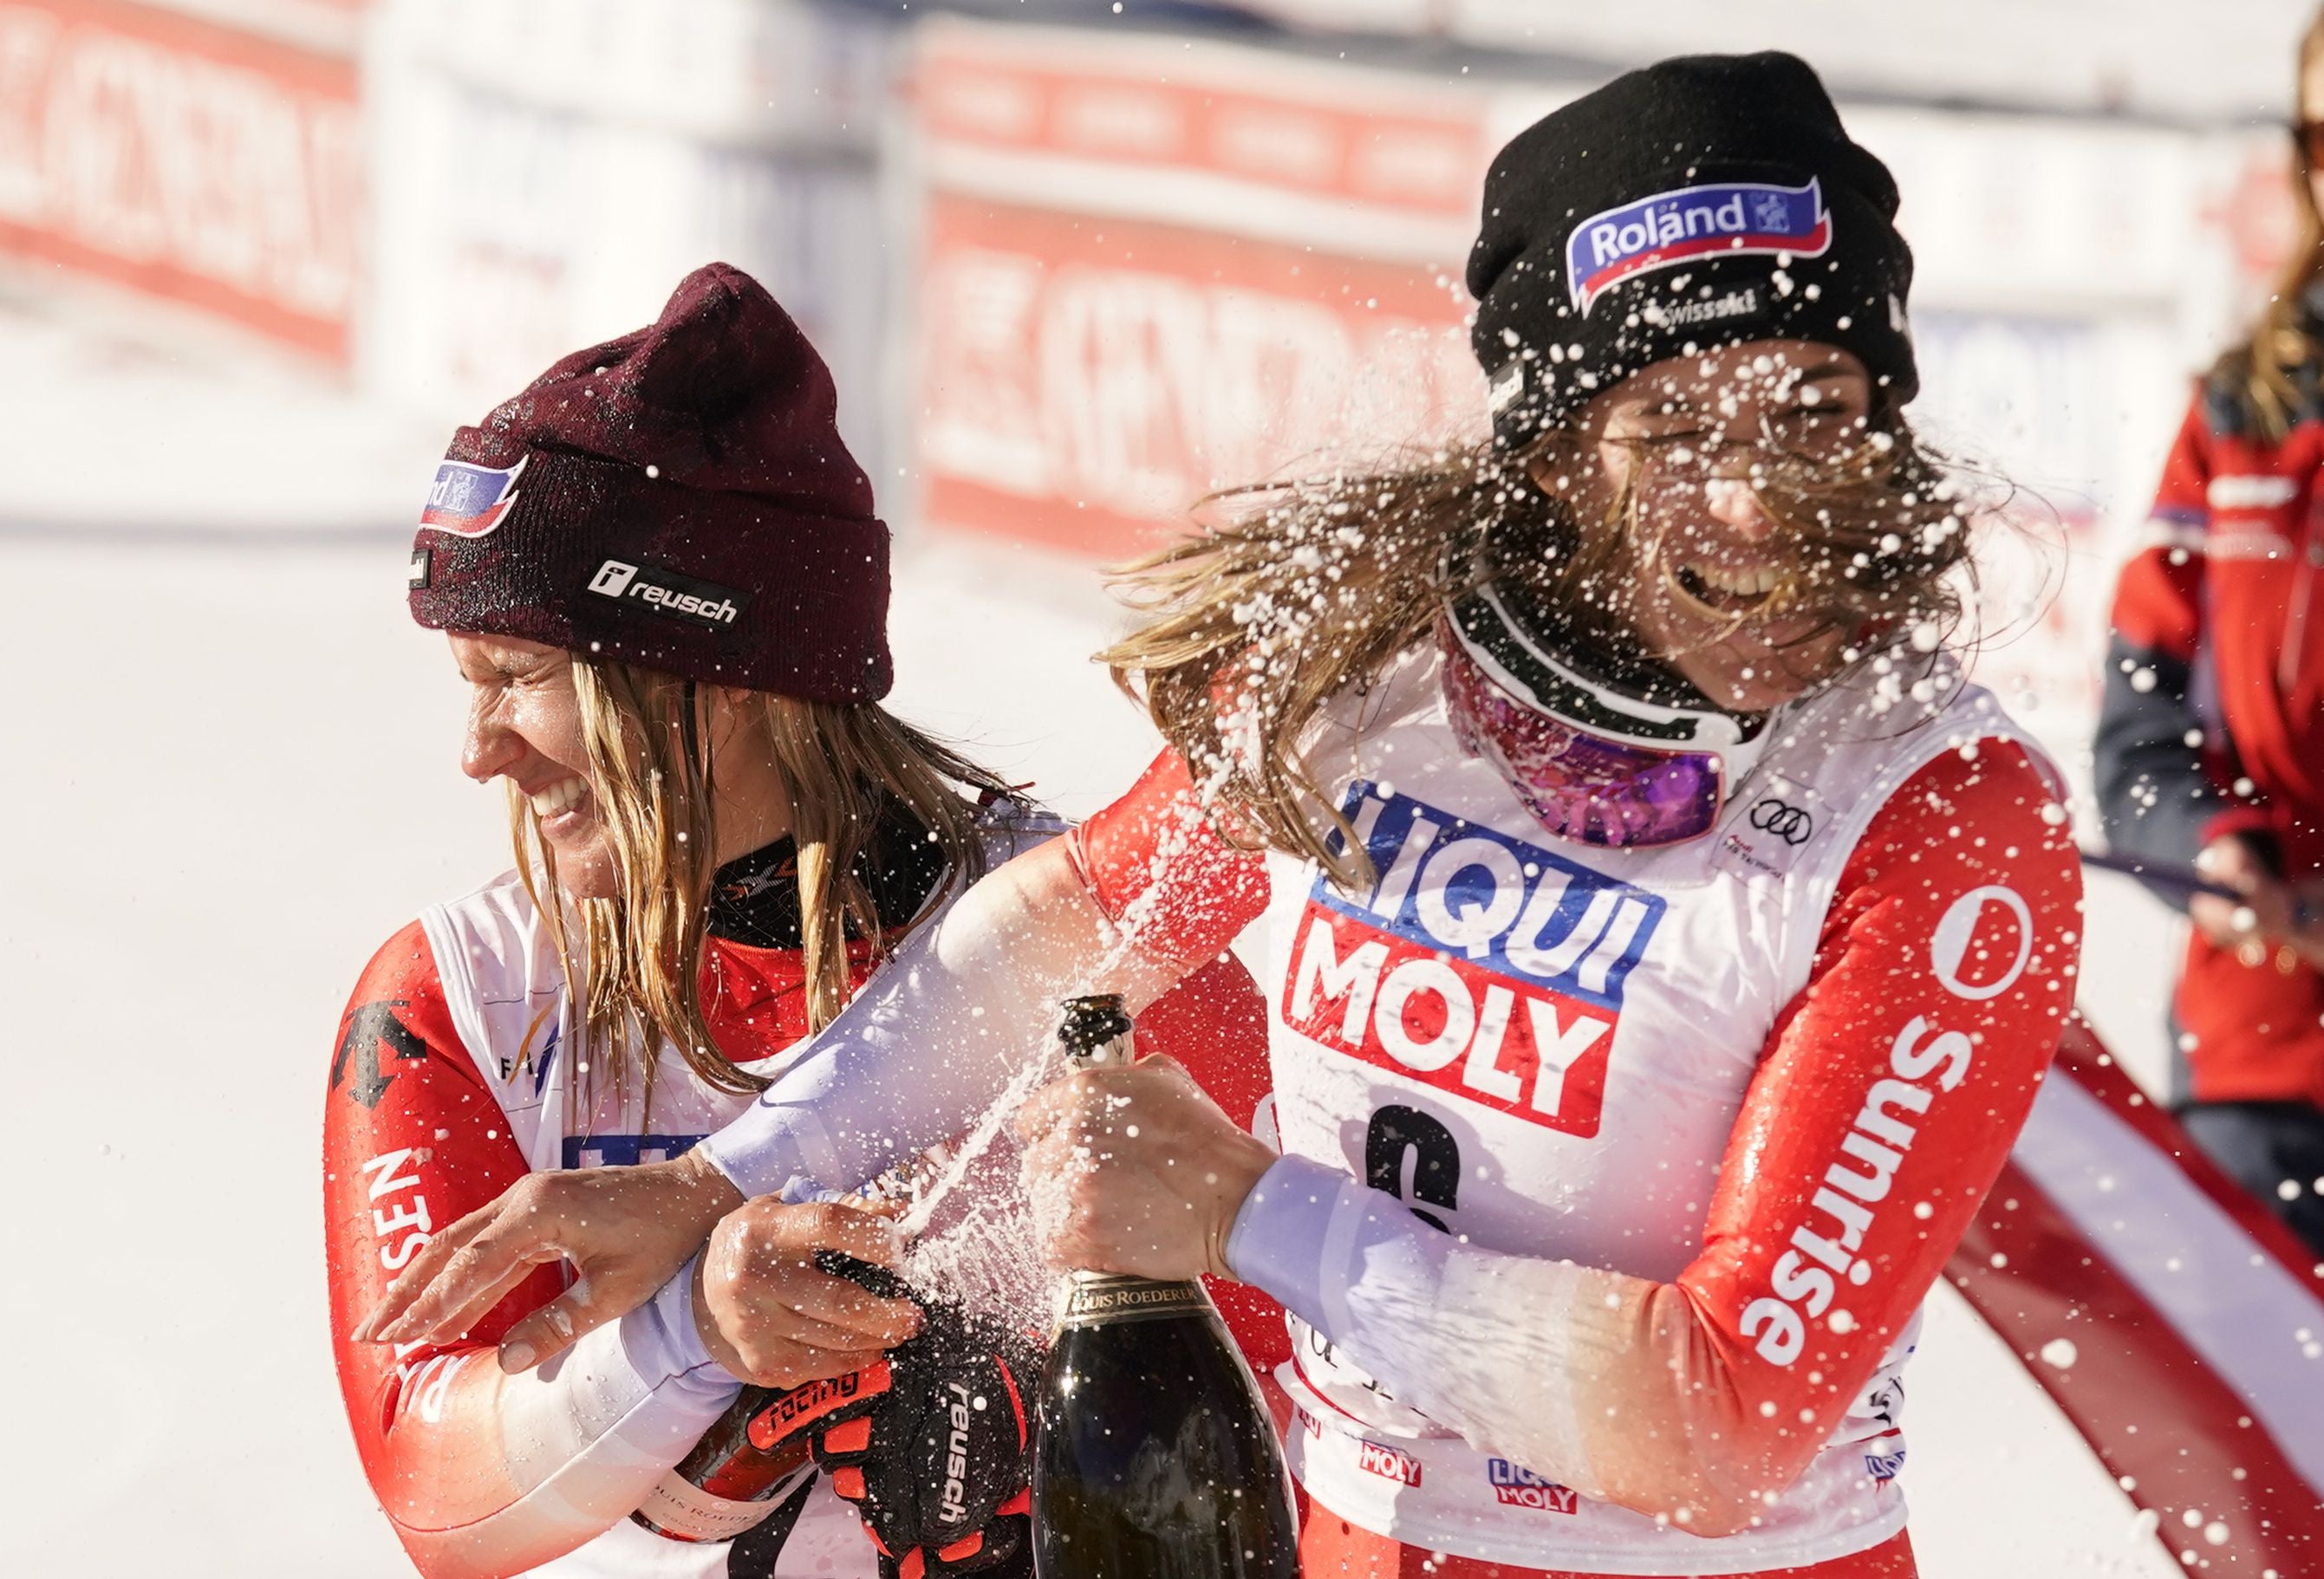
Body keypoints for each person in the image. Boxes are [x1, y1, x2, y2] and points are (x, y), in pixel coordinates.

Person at [363, 57, 2083, 1578]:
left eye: (1818, 411)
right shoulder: (1384, 668)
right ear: (1554, 451)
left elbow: (1730, 1416)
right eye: (1670, 422)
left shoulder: (1937, 806)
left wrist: (1250, 1208)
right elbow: (1071, 925)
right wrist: (717, 1176)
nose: (1759, 494)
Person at [324, 263, 1273, 1579]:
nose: (480, 752)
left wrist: (1049, 1418)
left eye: (523, 677)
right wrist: (702, 1340)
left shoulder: (1114, 962)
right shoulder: (459, 995)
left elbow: (1297, 1428)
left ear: (720, 675)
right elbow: (438, 1496)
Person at [2093, 0, 2324, 1301]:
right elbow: (2138, 724)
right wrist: (2213, 846)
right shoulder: (2242, 407)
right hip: (2257, 1068)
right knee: (2276, 1499)